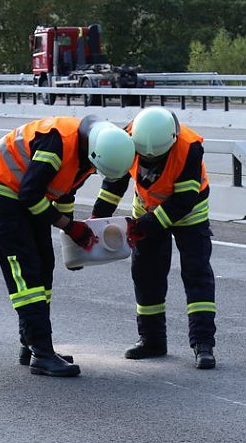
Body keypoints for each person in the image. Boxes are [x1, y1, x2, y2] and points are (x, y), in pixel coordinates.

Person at [0, 115, 135, 377]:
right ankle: (41, 352)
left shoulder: (90, 148)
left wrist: (73, 238)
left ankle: (32, 343)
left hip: (30, 192)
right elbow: (30, 195)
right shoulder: (58, 145)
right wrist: (70, 227)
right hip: (3, 189)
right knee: (26, 268)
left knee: (43, 263)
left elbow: (63, 192)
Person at [91, 107, 217, 369]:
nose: (149, 164)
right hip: (146, 212)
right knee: (146, 274)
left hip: (188, 216)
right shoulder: (128, 138)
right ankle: (152, 340)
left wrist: (144, 226)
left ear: (171, 141)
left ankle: (203, 344)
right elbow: (115, 182)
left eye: (155, 160)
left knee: (196, 275)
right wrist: (96, 222)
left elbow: (183, 200)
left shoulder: (189, 148)